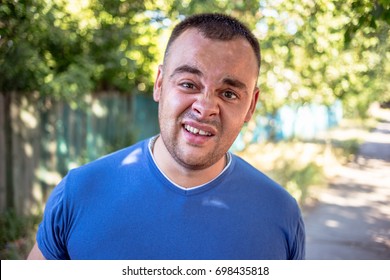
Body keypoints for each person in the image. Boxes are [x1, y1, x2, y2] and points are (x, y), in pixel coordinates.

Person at [27, 13, 305, 260]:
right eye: (188, 84)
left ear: (251, 106)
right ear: (160, 84)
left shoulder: (280, 213)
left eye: (229, 93)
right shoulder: (79, 192)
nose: (205, 107)